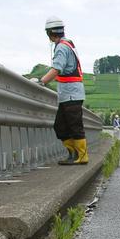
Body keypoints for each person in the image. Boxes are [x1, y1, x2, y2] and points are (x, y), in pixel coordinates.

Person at [34, 16, 88, 165]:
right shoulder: (67, 43)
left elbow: (57, 68)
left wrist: (41, 81)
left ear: (50, 33)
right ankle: (73, 153)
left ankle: (81, 156)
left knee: (74, 125)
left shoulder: (62, 47)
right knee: (60, 126)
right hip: (68, 94)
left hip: (71, 94)